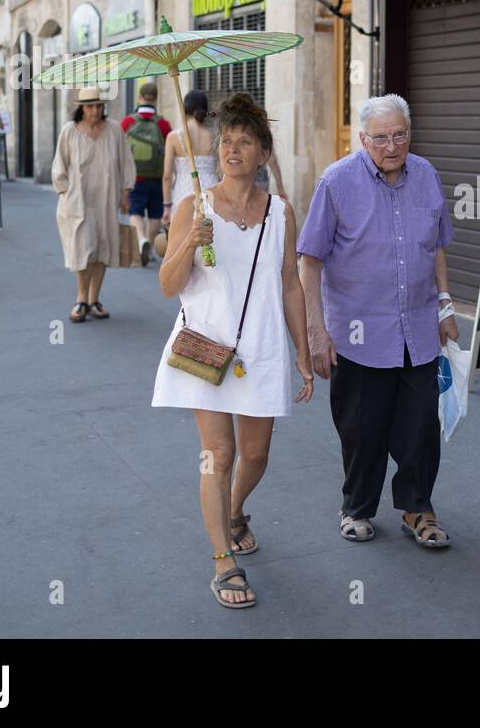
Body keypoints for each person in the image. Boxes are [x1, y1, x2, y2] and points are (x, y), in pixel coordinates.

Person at [152, 94, 314, 609]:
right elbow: (167, 284)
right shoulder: (192, 207)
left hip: (262, 348)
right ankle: (223, 559)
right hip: (206, 347)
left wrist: (303, 351)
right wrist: (185, 244)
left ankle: (235, 508)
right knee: (217, 454)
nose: (232, 149)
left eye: (245, 141)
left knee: (257, 454)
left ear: (264, 154)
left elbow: (291, 284)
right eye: (226, 141)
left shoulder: (281, 213)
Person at [298, 93, 458, 548]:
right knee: (363, 430)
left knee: (421, 426)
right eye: (381, 138)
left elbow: (437, 246)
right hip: (358, 333)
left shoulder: (426, 175)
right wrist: (316, 330)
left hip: (418, 328)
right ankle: (357, 507)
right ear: (363, 140)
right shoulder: (336, 182)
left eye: (400, 135)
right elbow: (309, 261)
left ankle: (417, 508)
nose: (392, 146)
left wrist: (445, 304)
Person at [53, 87, 137, 323]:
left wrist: (125, 192)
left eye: (99, 105)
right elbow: (59, 164)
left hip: (106, 199)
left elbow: (125, 161)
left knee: (103, 248)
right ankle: (80, 298)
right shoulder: (70, 131)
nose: (95, 110)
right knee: (83, 248)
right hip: (78, 200)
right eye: (90, 106)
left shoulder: (114, 130)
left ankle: (93, 299)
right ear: (81, 107)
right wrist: (65, 191)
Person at [121, 82, 173, 266]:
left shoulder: (128, 122)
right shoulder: (163, 124)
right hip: (157, 177)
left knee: (135, 212)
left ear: (139, 97)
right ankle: (149, 248)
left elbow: (121, 150)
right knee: (155, 215)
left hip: (135, 177)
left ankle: (141, 239)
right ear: (156, 99)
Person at [161, 90, 219, 228]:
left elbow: (167, 176)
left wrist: (167, 206)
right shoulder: (214, 136)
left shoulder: (173, 137)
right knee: (210, 235)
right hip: (211, 188)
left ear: (185, 107)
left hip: (184, 189)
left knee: (184, 237)